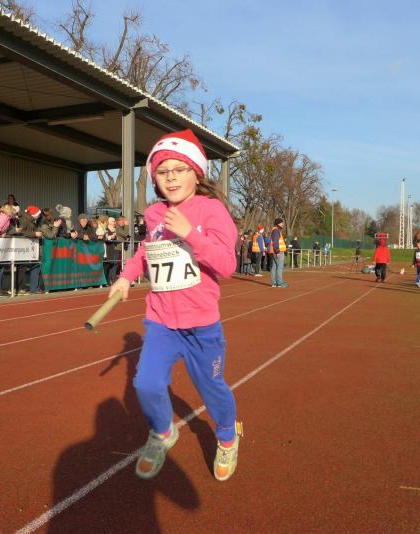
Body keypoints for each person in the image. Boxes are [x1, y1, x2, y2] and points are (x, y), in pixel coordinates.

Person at [108, 129, 242, 482]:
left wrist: (190, 233)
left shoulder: (211, 210)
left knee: (212, 389)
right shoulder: (155, 214)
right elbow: (145, 251)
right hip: (161, 320)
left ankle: (227, 435)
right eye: (163, 172)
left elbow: (227, 265)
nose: (171, 177)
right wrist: (126, 277)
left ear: (196, 173)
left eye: (179, 169)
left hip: (201, 325)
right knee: (146, 384)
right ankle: (163, 431)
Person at [269, 218, 289, 287]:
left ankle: (274, 283)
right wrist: (277, 251)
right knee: (279, 267)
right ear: (278, 223)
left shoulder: (275, 230)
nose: (282, 224)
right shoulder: (276, 231)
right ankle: (280, 282)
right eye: (281, 223)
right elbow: (276, 241)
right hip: (278, 251)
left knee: (274, 267)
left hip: (274, 251)